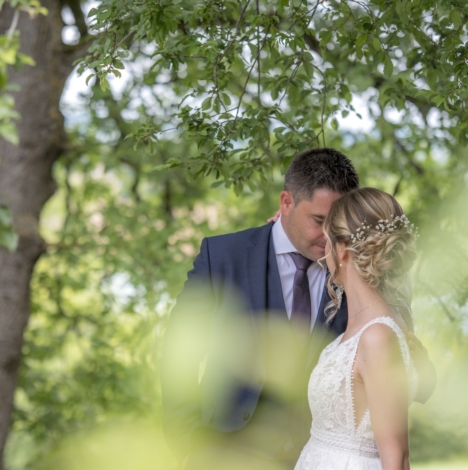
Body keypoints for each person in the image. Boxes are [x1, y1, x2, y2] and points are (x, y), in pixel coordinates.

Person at [160, 149, 434, 470]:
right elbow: (178, 352)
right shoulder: (223, 256)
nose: (328, 237)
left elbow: (420, 382)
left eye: (336, 225)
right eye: (319, 220)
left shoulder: (358, 275)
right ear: (286, 203)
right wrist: (187, 445)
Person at [294, 187, 419, 470]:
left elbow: (397, 458)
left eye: (326, 240)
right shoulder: (353, 330)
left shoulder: (378, 337)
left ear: (341, 249)